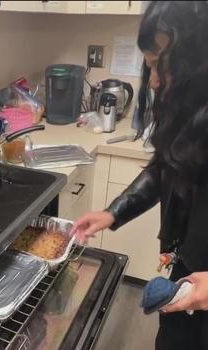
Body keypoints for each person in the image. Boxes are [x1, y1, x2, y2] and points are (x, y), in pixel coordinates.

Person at [71, 2, 208, 349]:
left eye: (161, 63)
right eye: (149, 66)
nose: (156, 79)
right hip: (187, 265)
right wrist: (113, 211)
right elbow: (166, 167)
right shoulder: (190, 109)